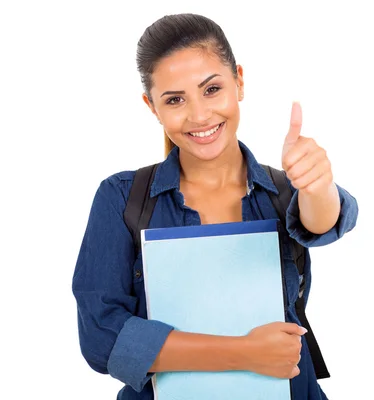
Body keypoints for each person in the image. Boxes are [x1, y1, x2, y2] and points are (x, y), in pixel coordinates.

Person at [72, 13, 358, 400]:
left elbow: (323, 221)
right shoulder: (122, 198)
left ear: (239, 81)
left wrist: (319, 185)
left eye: (211, 89)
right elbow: (103, 338)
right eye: (175, 100)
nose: (200, 115)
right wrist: (245, 353)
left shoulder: (282, 189)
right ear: (152, 107)